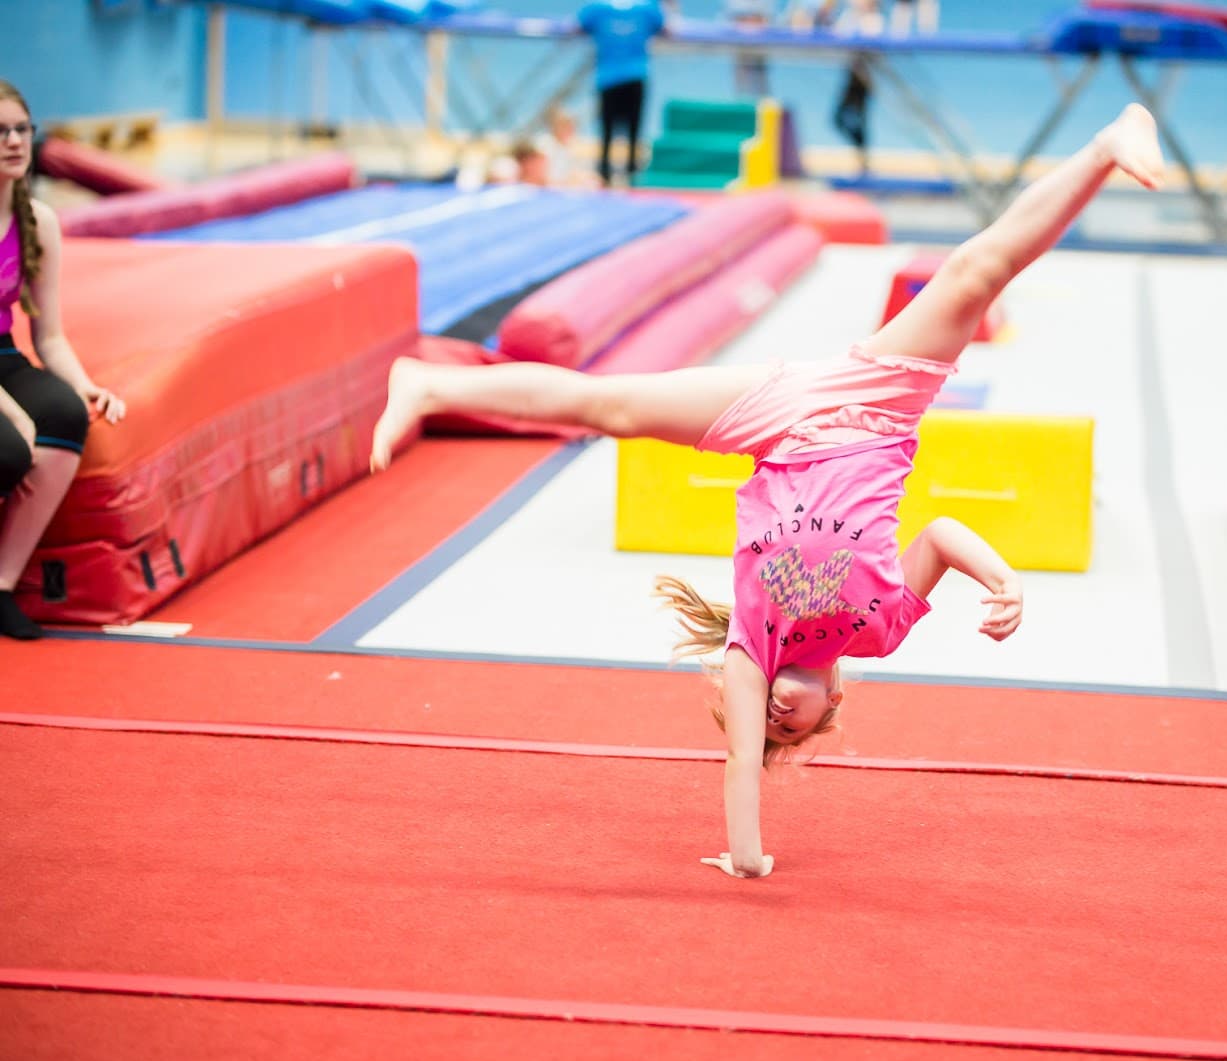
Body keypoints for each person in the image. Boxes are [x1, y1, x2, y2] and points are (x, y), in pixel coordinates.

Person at [369, 104, 1166, 878]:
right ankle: (1105, 148)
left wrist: (745, 855)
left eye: (768, 725)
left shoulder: (753, 646)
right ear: (833, 707)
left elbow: (739, 762)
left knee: (608, 407)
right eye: (798, 730)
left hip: (776, 429)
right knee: (974, 274)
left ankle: (434, 385)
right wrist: (1002, 578)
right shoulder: (876, 631)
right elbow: (943, 536)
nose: (779, 723)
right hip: (870, 411)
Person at [0, 81, 125, 640]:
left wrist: (85, 385)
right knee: (9, 447)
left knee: (66, 415)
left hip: (4, 355)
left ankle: (0, 585)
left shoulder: (39, 223)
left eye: (20, 130)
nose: (12, 142)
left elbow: (48, 336)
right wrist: (14, 416)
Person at [577, 0, 667, 187]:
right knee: (631, 129)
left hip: (609, 77)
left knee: (608, 130)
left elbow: (578, 26)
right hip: (632, 75)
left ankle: (608, 175)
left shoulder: (597, 9)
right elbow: (664, 27)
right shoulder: (647, 9)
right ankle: (630, 175)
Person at [832, 0, 885, 176]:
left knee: (860, 119)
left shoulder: (874, 19)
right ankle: (862, 160)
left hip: (864, 76)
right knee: (839, 118)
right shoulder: (851, 16)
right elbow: (837, 33)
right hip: (852, 73)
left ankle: (863, 163)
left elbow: (871, 43)